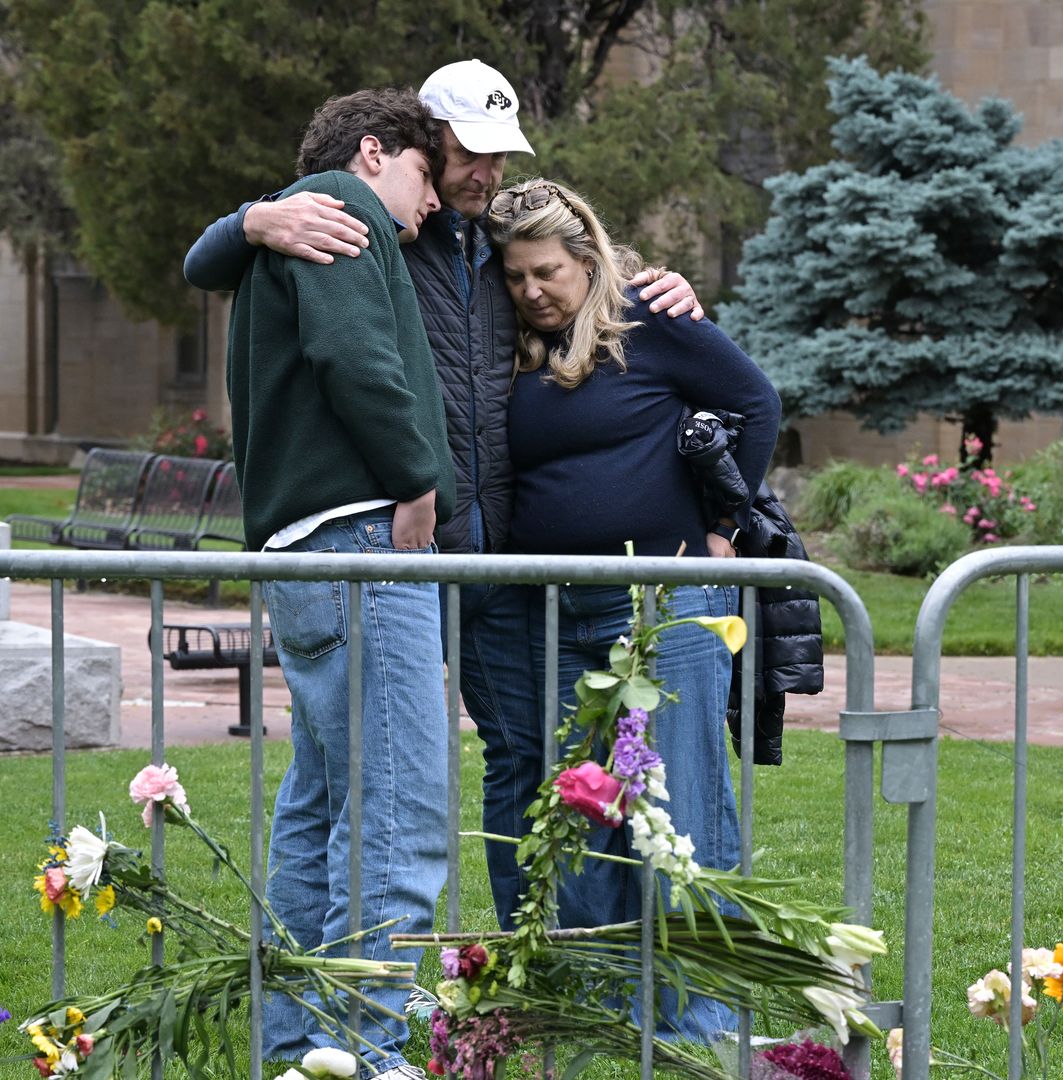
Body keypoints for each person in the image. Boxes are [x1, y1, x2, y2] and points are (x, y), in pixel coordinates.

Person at [184, 59, 706, 930]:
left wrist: (667, 286)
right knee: (400, 782)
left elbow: (580, 276)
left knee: (531, 756)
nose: (487, 175)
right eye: (468, 156)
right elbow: (214, 266)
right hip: (404, 537)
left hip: (498, 546)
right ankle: (380, 1013)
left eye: (502, 157)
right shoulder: (371, 220)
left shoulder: (493, 237)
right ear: (420, 145)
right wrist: (252, 217)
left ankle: (543, 953)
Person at [482, 177, 781, 1040]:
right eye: (516, 277)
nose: (532, 291)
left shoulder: (654, 319)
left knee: (678, 801)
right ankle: (601, 1006)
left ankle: (697, 1017)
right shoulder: (506, 343)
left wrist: (725, 523)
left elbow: (756, 402)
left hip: (663, 603)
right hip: (552, 611)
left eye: (547, 272)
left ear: (587, 259)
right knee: (579, 804)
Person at [223, 86, 450, 1080]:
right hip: (359, 545)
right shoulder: (341, 212)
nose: (434, 199)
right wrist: (416, 480)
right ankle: (362, 1056)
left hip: (304, 552)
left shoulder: (288, 224)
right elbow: (354, 356)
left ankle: (298, 1056)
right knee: (398, 817)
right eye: (425, 172)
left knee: (322, 813)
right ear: (374, 151)